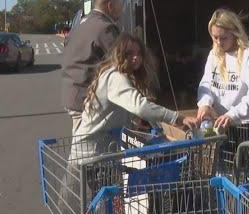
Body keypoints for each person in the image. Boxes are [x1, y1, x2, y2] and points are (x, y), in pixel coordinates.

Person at [70, 33, 196, 162]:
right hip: (89, 155)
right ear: (119, 54)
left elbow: (123, 109)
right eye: (129, 53)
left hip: (101, 153)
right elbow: (141, 107)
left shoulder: (116, 75)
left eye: (139, 53)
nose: (136, 57)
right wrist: (177, 118)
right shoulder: (115, 77)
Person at [195, 8, 249, 153]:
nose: (218, 42)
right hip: (223, 124)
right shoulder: (214, 55)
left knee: (243, 172)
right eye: (215, 37)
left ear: (235, 34)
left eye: (223, 38)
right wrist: (204, 104)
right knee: (222, 170)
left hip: (247, 126)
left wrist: (232, 115)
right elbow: (207, 83)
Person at [61, 0, 123, 135]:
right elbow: (120, 61)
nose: (120, 13)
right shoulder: (106, 27)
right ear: (110, 6)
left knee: (81, 145)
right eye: (119, 8)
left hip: (71, 93)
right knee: (86, 149)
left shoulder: (81, 23)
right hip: (85, 97)